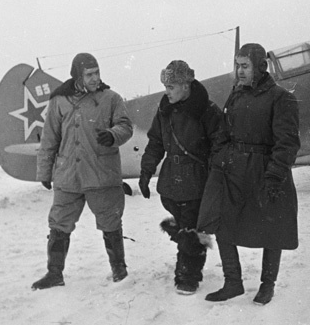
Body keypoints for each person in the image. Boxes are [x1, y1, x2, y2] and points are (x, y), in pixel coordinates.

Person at [197, 43, 300, 306]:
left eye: (245, 66)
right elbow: (224, 132)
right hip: (234, 170)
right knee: (223, 223)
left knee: (271, 227)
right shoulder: (237, 94)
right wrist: (219, 158)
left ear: (259, 67)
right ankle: (233, 282)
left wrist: (275, 175)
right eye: (237, 66)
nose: (240, 72)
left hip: (265, 171)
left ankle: (267, 286)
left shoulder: (281, 97)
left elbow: (287, 142)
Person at [32, 53, 134, 290]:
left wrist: (113, 135)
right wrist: (44, 172)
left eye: (97, 72)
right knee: (58, 223)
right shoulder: (59, 101)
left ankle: (119, 271)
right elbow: (49, 139)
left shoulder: (111, 98)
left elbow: (125, 126)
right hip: (69, 175)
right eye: (89, 74)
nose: (95, 78)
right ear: (77, 75)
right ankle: (54, 273)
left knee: (110, 222)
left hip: (101, 173)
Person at [138, 60, 222, 295]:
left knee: (191, 227)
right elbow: (155, 141)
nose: (167, 92)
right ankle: (188, 243)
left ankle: (187, 275)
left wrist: (217, 180)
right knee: (186, 225)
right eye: (165, 86)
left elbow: (220, 146)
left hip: (197, 180)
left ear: (186, 85)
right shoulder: (165, 110)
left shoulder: (208, 110)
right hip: (171, 181)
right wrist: (146, 171)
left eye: (171, 86)